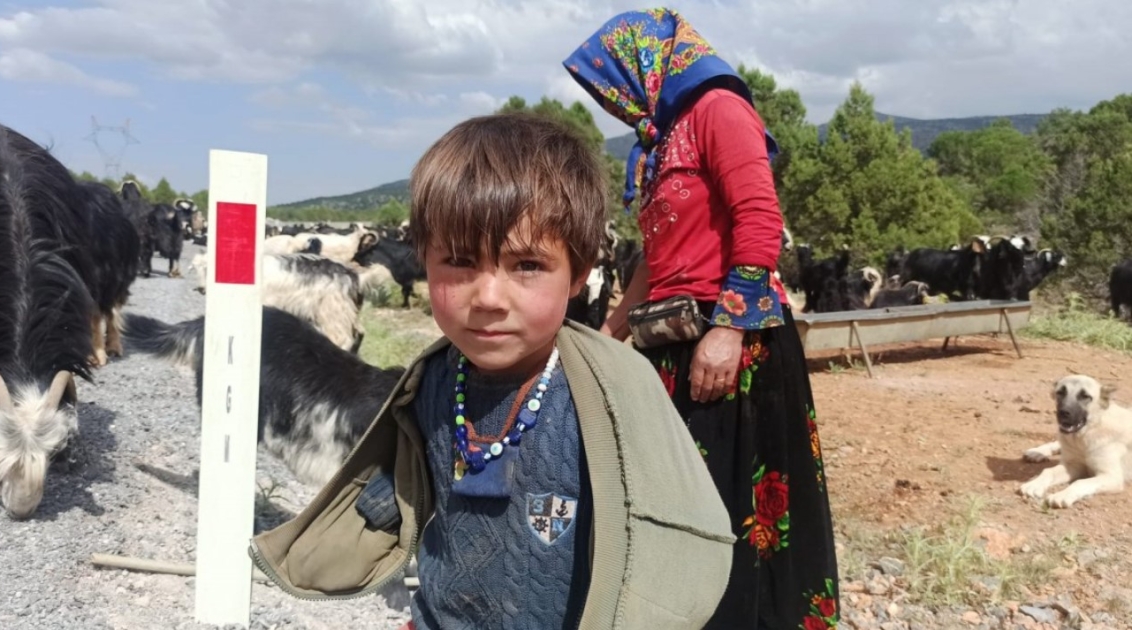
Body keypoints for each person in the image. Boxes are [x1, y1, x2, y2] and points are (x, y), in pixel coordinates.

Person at [249, 112, 737, 629]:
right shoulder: (433, 378)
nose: (487, 298)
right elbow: (411, 476)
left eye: (527, 265)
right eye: (459, 261)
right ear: (423, 260)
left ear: (579, 270)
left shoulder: (612, 396)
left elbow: (669, 532)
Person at [563, 8, 840, 630]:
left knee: (736, 508)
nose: (613, 101)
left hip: (733, 344)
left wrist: (729, 329)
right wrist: (610, 334)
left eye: (615, 83)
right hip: (673, 339)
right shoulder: (659, 144)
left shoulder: (719, 109)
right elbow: (653, 259)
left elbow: (760, 218)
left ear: (646, 66)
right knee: (679, 501)